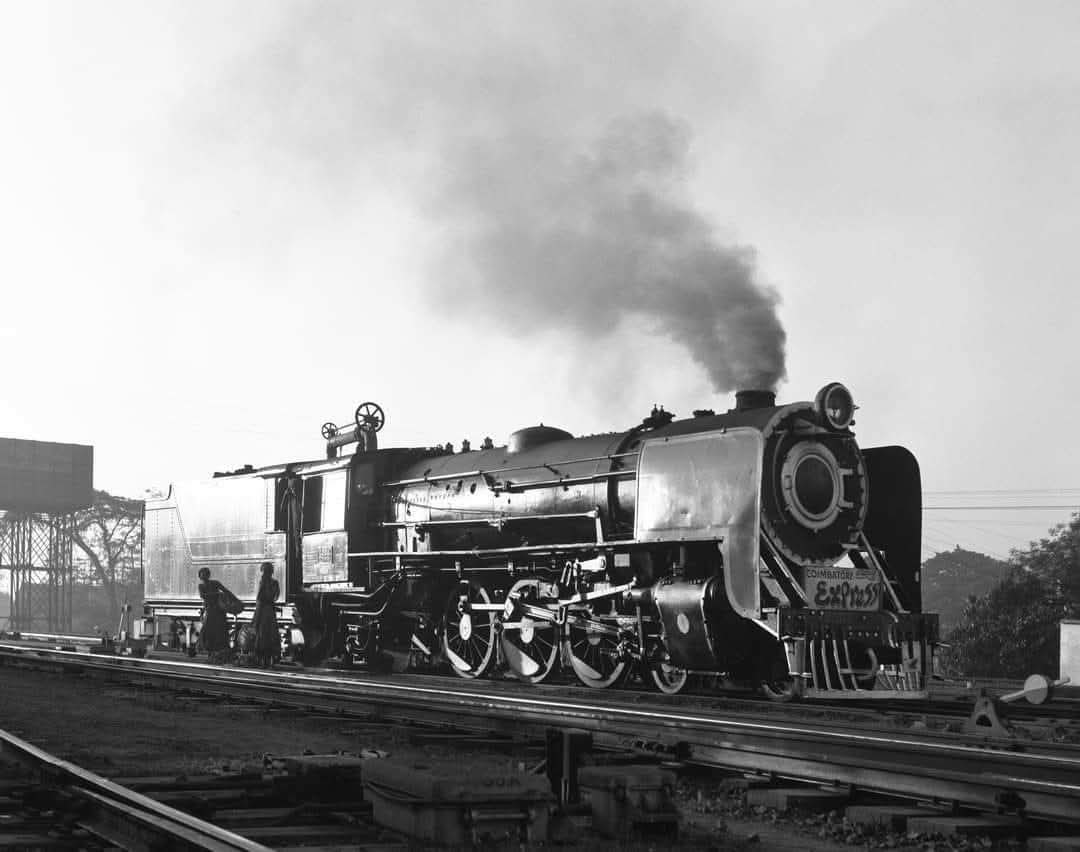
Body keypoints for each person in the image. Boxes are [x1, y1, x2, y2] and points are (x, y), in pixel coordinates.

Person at [197, 567, 231, 663]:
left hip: (218, 611)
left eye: (205, 574)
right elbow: (203, 595)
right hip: (211, 611)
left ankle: (216, 654)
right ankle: (211, 653)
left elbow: (225, 591)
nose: (203, 576)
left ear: (208, 575)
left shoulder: (215, 583)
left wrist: (233, 600)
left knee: (218, 632)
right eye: (202, 574)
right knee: (210, 632)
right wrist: (217, 594)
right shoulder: (201, 586)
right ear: (200, 576)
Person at [253, 561, 280, 667]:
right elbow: (276, 596)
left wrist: (256, 614)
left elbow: (259, 597)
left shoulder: (263, 582)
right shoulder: (275, 582)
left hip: (263, 610)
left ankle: (262, 659)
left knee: (262, 634)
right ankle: (269, 659)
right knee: (271, 634)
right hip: (270, 611)